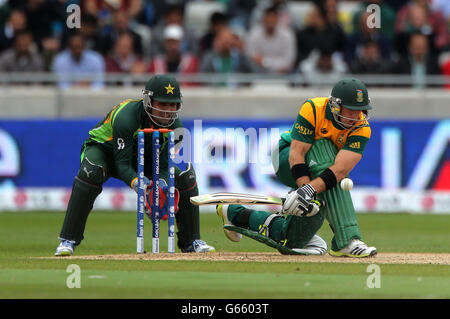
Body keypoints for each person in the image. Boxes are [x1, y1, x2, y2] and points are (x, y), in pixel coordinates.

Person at [55, 74, 215, 256]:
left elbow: (163, 166)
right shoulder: (127, 117)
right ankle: (68, 240)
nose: (167, 111)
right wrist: (141, 186)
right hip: (105, 151)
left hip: (145, 157)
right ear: (149, 101)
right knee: (91, 171)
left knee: (186, 176)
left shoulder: (176, 129)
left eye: (172, 105)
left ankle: (191, 242)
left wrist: (159, 188)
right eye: (162, 104)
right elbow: (122, 163)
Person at [216, 77, 377, 258]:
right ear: (336, 106)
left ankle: (234, 213)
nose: (356, 116)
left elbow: (339, 171)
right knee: (323, 145)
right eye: (351, 110)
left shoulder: (362, 128)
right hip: (286, 159)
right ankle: (348, 240)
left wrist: (308, 193)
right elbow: (297, 154)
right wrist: (304, 189)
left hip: (321, 175)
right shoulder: (314, 109)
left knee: (292, 238)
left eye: (360, 111)